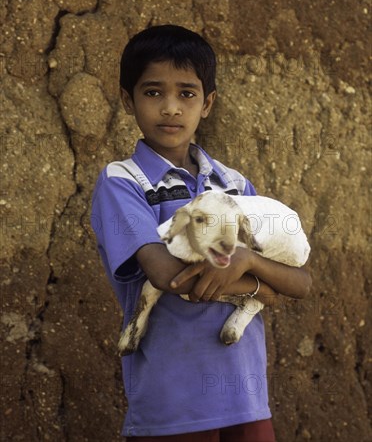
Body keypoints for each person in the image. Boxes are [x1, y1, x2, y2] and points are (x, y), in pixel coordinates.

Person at [91, 25, 312, 441]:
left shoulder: (233, 185)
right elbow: (166, 276)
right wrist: (259, 286)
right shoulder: (124, 181)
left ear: (207, 103)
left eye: (187, 94)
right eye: (153, 92)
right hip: (173, 405)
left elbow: (300, 282)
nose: (171, 108)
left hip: (247, 397)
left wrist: (247, 262)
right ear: (127, 99)